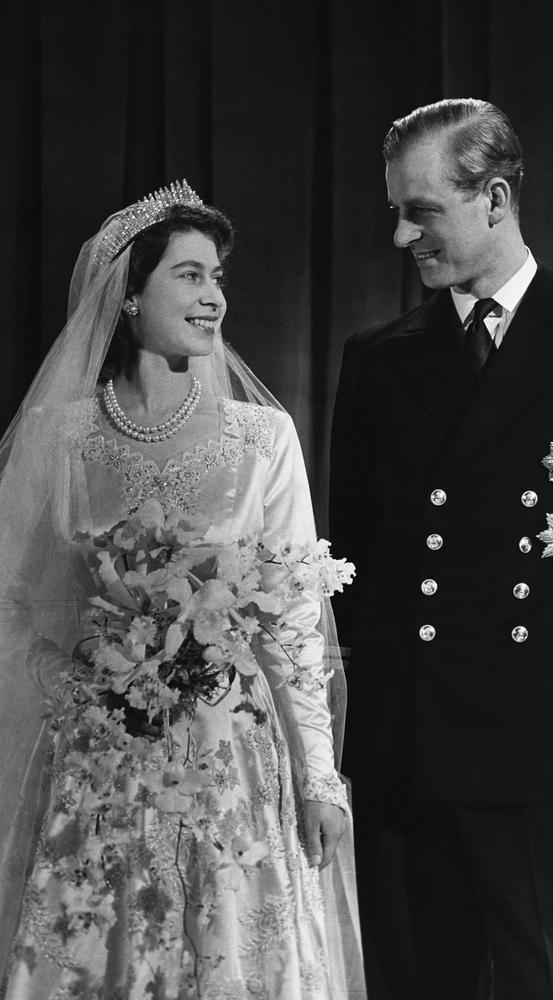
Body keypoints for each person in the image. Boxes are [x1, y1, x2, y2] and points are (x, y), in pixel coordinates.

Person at [0, 181, 366, 999]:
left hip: (227, 763)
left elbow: (296, 622)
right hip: (101, 769)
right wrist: (74, 692)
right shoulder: (62, 439)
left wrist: (316, 779)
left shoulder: (262, 440)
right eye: (190, 276)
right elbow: (13, 601)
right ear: (128, 296)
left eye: (218, 277)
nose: (214, 297)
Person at [329, 98, 553, 1000]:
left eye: (421, 211)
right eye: (396, 210)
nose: (401, 235)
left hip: (536, 738)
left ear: (496, 198)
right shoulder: (379, 357)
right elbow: (350, 563)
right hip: (405, 746)